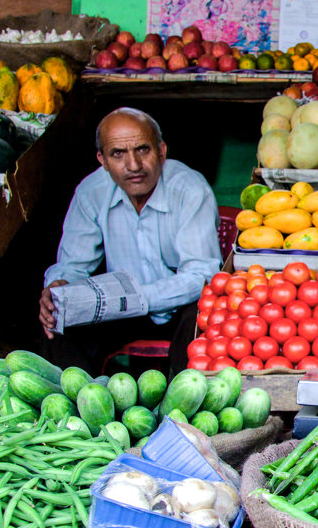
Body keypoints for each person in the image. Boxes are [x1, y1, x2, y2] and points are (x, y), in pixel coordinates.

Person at [39, 108, 221, 375]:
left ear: (161, 151)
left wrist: (138, 297)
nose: (134, 165)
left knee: (204, 314)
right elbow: (73, 265)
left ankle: (184, 410)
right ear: (102, 159)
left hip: (179, 308)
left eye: (143, 150)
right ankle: (73, 405)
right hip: (119, 313)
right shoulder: (91, 192)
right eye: (118, 154)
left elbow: (202, 275)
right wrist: (60, 286)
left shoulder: (190, 189)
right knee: (59, 317)